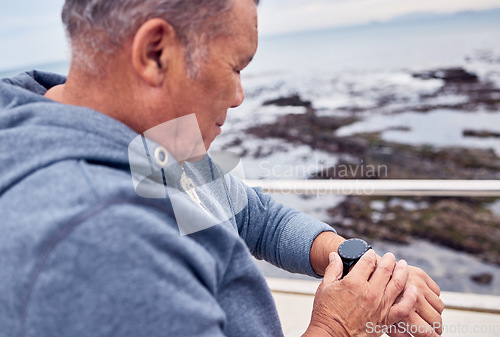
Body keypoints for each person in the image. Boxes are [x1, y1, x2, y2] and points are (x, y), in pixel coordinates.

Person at [0, 0, 444, 336]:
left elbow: (254, 216)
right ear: (155, 53)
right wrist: (338, 326)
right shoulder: (100, 236)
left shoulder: (148, 137)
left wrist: (355, 265)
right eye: (236, 66)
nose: (239, 96)